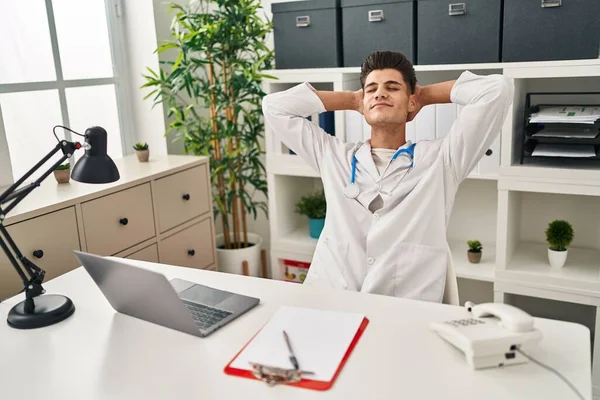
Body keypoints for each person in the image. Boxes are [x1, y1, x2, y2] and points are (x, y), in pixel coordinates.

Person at [262, 51, 513, 303]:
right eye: (371, 89)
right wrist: (351, 99)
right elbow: (274, 107)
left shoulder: (442, 160)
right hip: (331, 302)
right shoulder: (333, 155)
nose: (380, 93)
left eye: (392, 88)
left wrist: (424, 95)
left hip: (404, 312)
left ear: (411, 102)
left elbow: (497, 89)